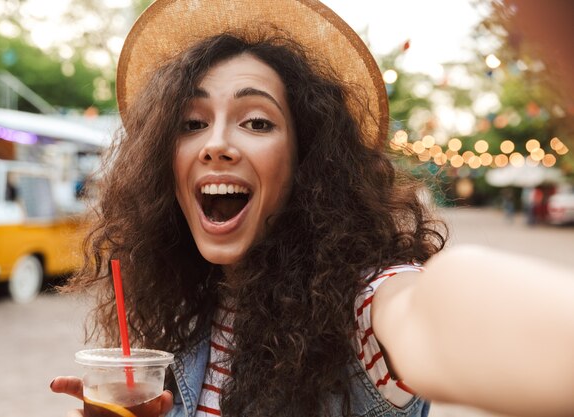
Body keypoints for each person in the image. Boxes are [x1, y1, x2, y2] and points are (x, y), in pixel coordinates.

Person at [51, 1, 574, 416]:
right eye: (191, 123)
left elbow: (434, 311)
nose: (216, 144)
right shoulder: (194, 314)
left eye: (256, 122)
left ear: (307, 162)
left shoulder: (365, 311)